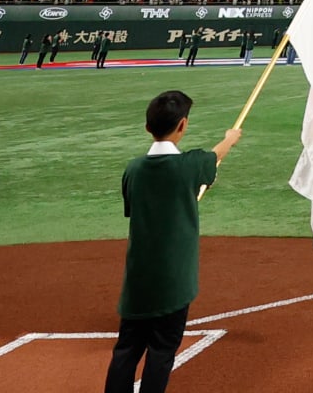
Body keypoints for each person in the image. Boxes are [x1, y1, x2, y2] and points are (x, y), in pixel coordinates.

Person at [103, 90, 242, 393]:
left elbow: (134, 208)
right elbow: (215, 155)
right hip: (173, 282)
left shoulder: (133, 169)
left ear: (147, 127)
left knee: (126, 350)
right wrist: (231, 137)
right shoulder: (190, 165)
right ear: (182, 125)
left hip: (138, 280)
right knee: (162, 352)